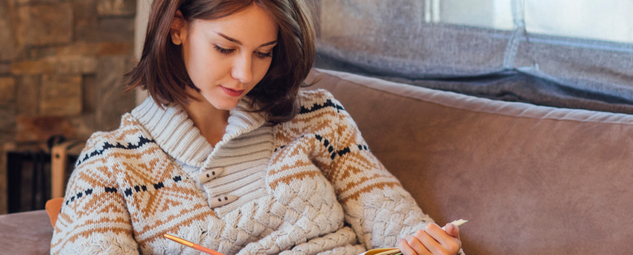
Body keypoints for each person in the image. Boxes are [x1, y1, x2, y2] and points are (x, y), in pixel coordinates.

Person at [49, 0, 462, 254]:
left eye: (263, 53)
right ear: (177, 26)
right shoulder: (109, 165)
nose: (245, 74)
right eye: (225, 48)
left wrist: (430, 247)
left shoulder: (319, 117)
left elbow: (399, 225)